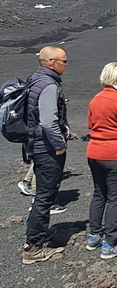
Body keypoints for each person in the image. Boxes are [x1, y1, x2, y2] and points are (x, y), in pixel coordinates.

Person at [22, 46, 70, 264]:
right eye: (64, 61)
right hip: (47, 148)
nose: (66, 65)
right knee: (45, 197)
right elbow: (49, 121)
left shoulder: (35, 79)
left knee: (43, 195)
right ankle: (33, 247)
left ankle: (38, 236)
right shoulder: (49, 85)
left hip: (36, 144)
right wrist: (60, 145)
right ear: (51, 63)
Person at [85, 62, 117, 259]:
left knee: (99, 194)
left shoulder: (95, 99)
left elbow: (90, 124)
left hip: (95, 152)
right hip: (115, 153)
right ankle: (111, 242)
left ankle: (94, 235)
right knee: (115, 198)